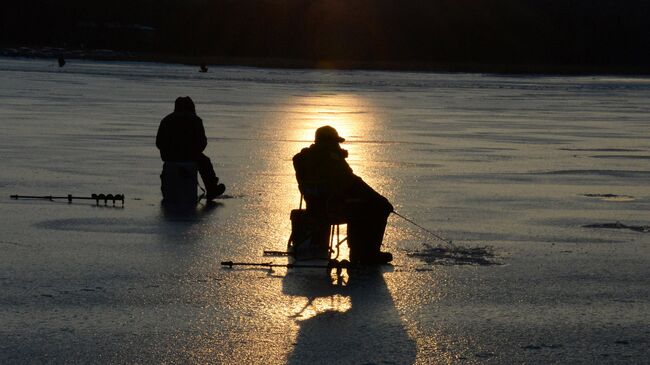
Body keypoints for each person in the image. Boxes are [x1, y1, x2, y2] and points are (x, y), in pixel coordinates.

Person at [292, 125, 393, 264]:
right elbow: (352, 183)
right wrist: (379, 199)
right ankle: (365, 253)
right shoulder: (332, 160)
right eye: (335, 142)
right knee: (379, 207)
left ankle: (362, 251)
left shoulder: (301, 159)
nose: (337, 145)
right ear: (328, 142)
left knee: (359, 205)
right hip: (334, 209)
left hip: (314, 209)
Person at [156, 96, 225, 200]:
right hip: (190, 156)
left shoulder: (166, 120)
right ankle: (212, 189)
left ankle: (168, 187)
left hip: (170, 157)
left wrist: (168, 152)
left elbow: (159, 143)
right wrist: (193, 152)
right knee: (205, 162)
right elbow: (203, 143)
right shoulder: (196, 120)